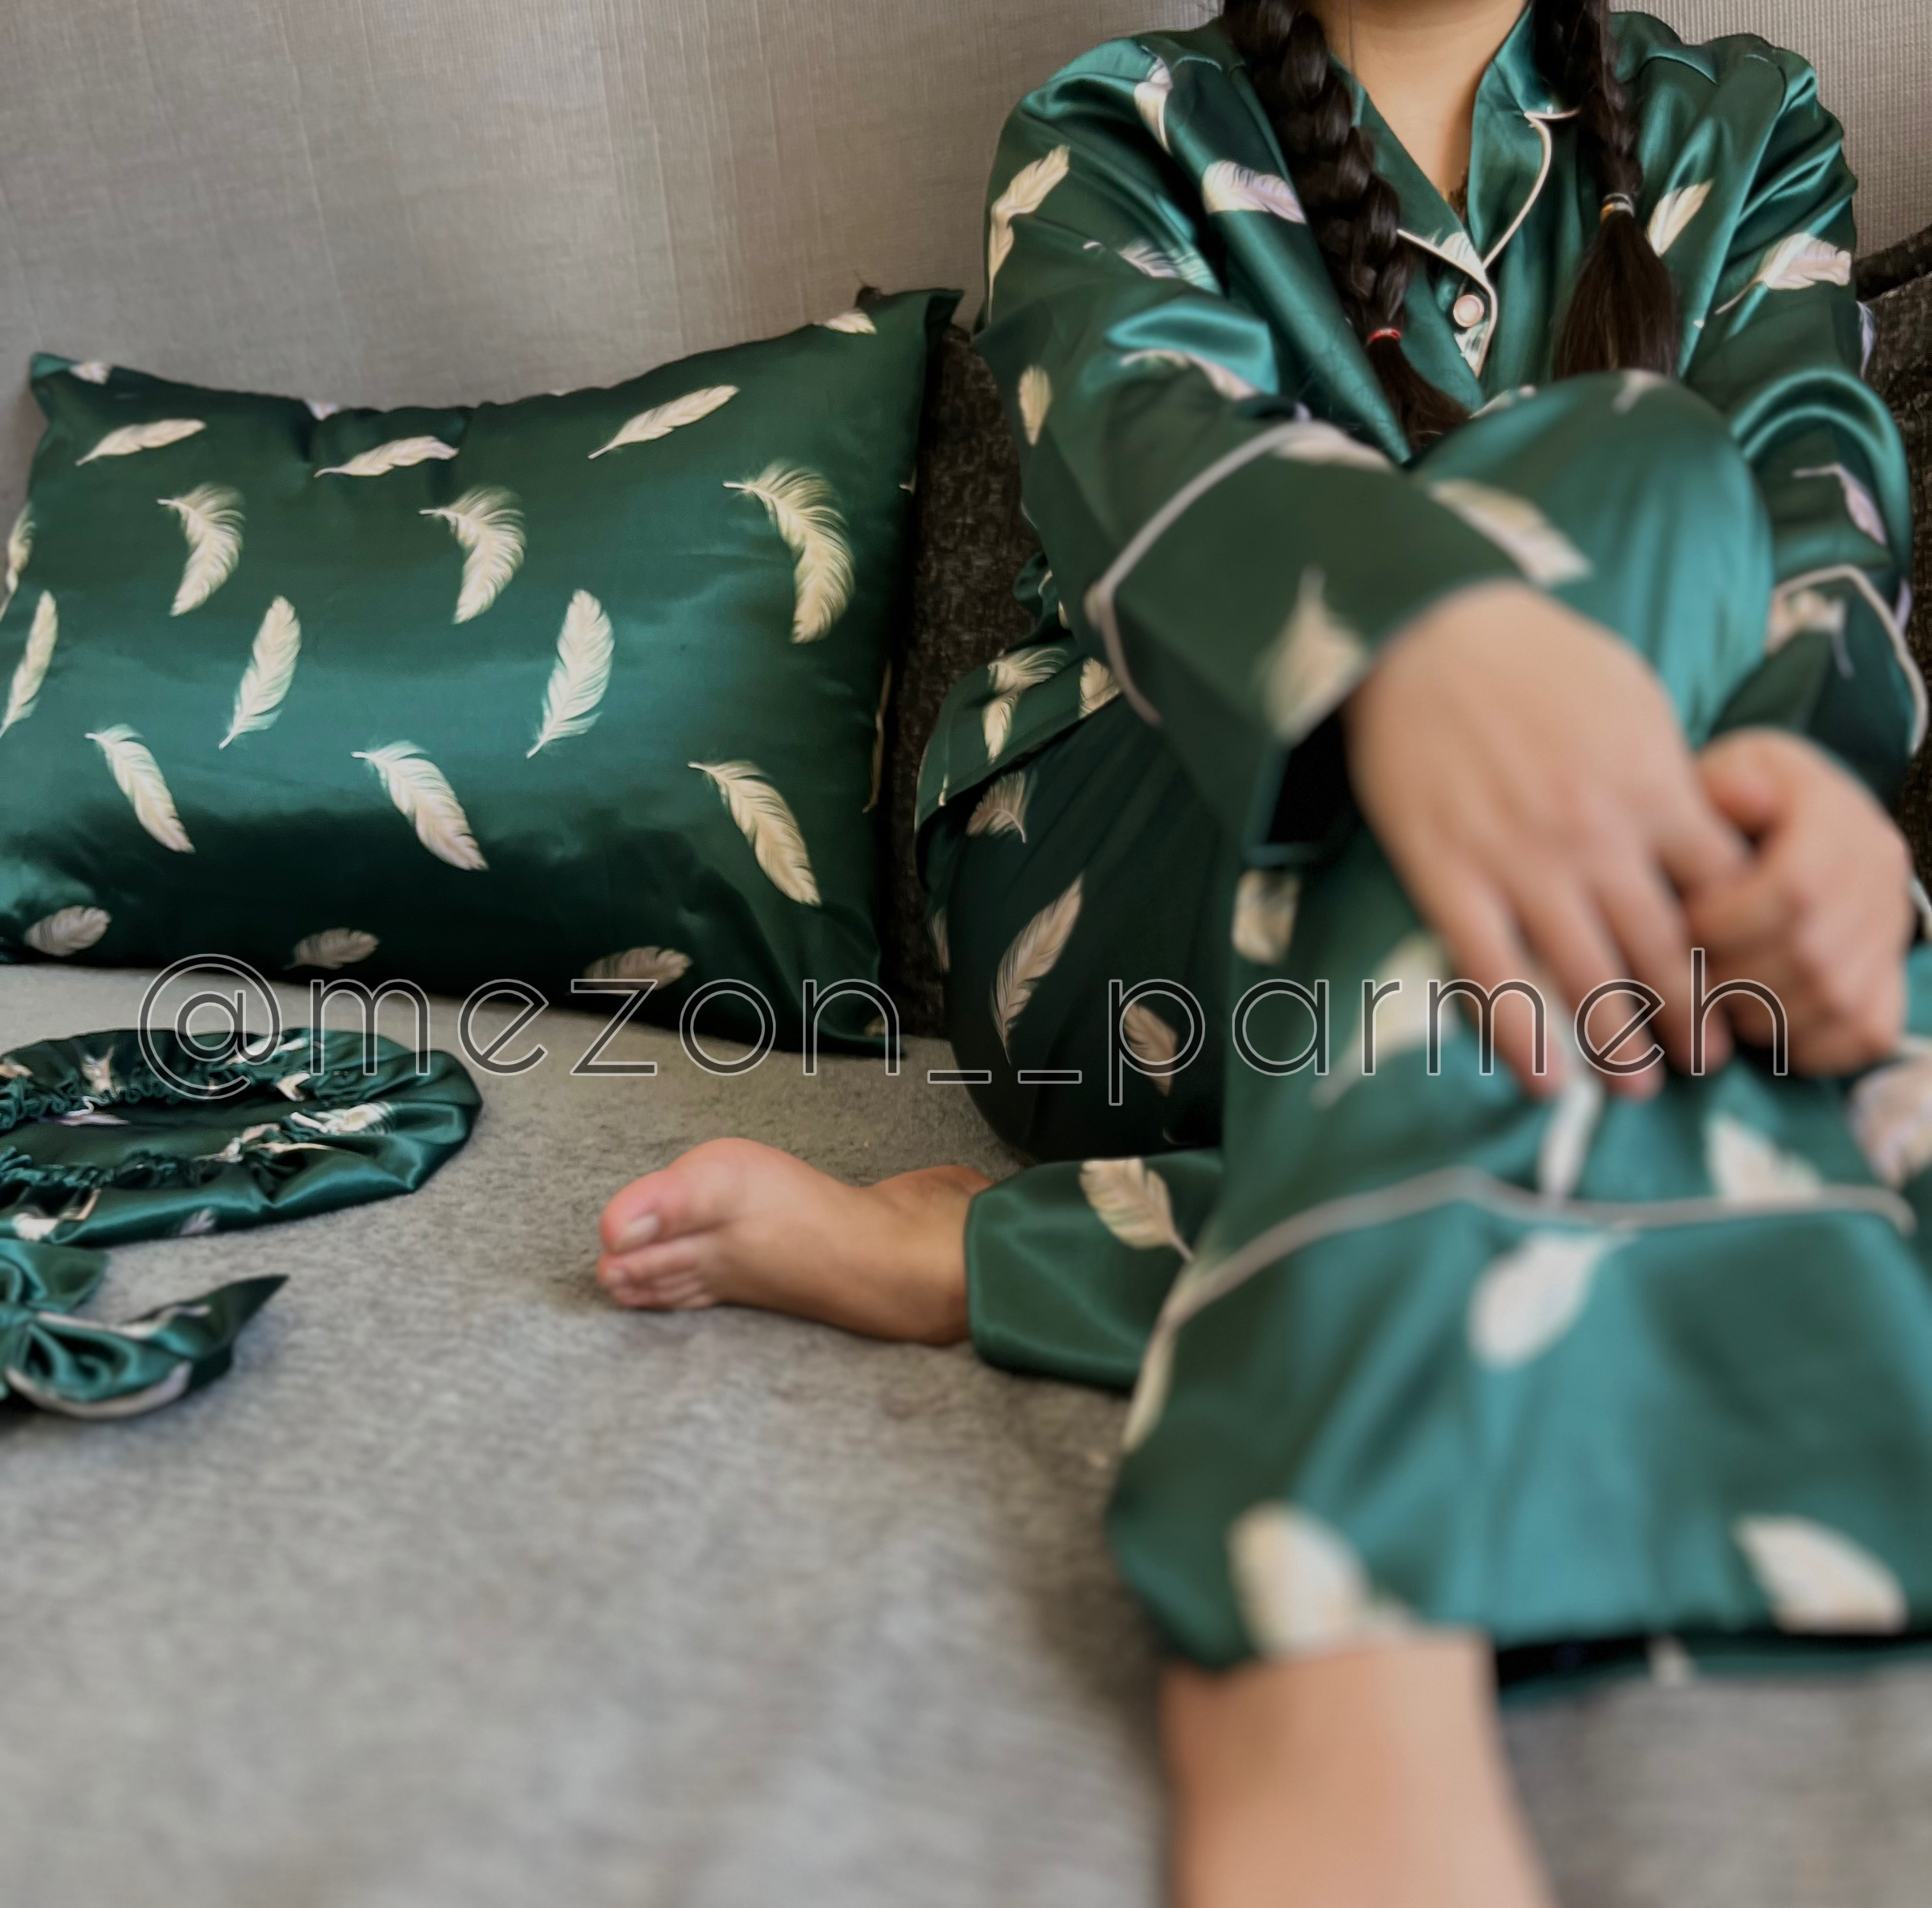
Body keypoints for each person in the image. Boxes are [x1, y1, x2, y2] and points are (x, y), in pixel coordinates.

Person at [597, 3, 1929, 1901]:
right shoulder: (1118, 126)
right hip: (1140, 880)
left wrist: (1810, 808)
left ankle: (1015, 1251)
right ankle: (1336, 1584)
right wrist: (1419, 648)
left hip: (1633, 923)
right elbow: (1143, 451)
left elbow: (1818, 495)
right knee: (1630, 460)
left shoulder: (1750, 121)